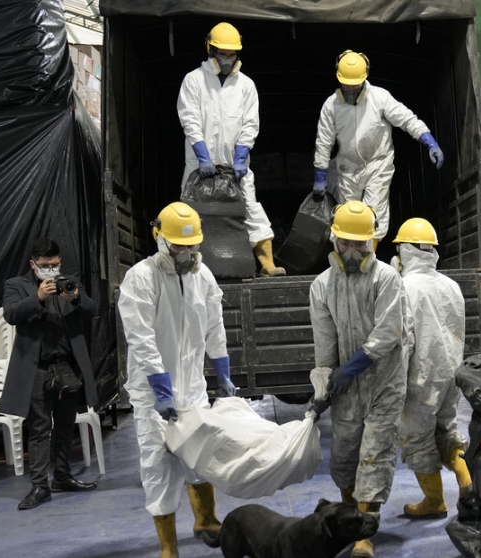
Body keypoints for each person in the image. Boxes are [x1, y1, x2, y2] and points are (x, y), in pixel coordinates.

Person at [118, 202, 237, 557]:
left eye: (191, 246)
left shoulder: (204, 276)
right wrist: (160, 390)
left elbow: (215, 328)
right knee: (159, 466)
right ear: (159, 239)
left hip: (193, 390)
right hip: (153, 394)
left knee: (201, 459)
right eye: (177, 246)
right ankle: (168, 547)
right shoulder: (141, 277)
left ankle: (206, 520)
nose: (185, 252)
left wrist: (223, 376)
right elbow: (140, 338)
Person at [308, 200, 408, 558]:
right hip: (348, 392)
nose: (351, 251)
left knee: (375, 457)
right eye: (345, 243)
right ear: (333, 241)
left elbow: (388, 334)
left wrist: (349, 369)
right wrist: (324, 384)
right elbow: (324, 345)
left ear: (372, 243)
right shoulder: (321, 286)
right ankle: (353, 518)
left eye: (360, 244)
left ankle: (365, 535)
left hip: (384, 382)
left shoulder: (387, 279)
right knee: (344, 460)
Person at [177, 22, 285, 277]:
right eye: (222, 54)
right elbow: (190, 119)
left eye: (231, 54)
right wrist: (203, 156)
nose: (226, 60)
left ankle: (267, 265)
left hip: (236, 167)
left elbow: (250, 124)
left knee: (250, 208)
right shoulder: (194, 80)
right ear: (210, 50)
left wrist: (241, 157)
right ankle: (184, 264)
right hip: (199, 164)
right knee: (190, 213)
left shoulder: (246, 86)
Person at [0, 239, 98, 510]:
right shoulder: (16, 285)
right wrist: (39, 297)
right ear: (33, 265)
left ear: (60, 261)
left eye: (54, 265)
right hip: (37, 368)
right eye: (44, 266)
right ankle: (40, 486)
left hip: (67, 366)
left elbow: (92, 310)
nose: (50, 270)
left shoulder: (71, 282)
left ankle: (62, 477)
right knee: (40, 429)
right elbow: (11, 314)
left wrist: (75, 297)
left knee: (66, 426)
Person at [312, 50, 445, 252]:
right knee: (348, 217)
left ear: (365, 77)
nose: (350, 88)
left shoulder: (380, 98)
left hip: (378, 164)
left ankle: (368, 259)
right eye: (346, 83)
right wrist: (320, 176)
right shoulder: (331, 106)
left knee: (374, 215)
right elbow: (323, 142)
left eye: (354, 83)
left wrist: (428, 141)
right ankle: (346, 261)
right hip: (348, 168)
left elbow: (406, 119)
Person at [390, 218, 471, 518]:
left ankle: (435, 501)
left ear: (406, 251)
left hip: (418, 377)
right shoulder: (451, 286)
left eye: (399, 248)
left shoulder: (404, 287)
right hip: (450, 375)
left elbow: (403, 340)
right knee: (446, 427)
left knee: (417, 437)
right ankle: (466, 478)